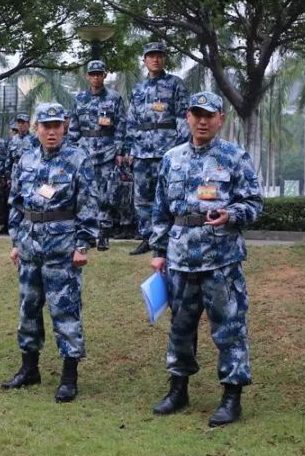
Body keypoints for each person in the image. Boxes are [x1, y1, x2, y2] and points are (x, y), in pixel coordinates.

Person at [148, 92, 262, 427]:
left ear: (220, 119)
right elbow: (160, 210)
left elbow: (254, 204)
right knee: (180, 329)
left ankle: (231, 396)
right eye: (196, 114)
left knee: (229, 328)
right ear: (187, 117)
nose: (202, 120)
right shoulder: (171, 158)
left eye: (208, 115)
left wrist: (230, 214)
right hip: (181, 259)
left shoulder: (234, 157)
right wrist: (158, 252)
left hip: (221, 260)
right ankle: (178, 389)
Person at [2, 102, 98, 403]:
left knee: (65, 311)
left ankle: (69, 377)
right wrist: (15, 241)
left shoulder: (79, 160)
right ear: (36, 128)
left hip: (62, 249)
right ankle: (29, 369)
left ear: (64, 126)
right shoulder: (25, 159)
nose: (52, 131)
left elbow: (89, 206)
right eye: (46, 126)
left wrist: (82, 245)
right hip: (30, 247)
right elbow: (16, 203)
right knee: (28, 310)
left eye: (57, 125)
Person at [126, 42, 189, 255]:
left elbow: (183, 117)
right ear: (144, 60)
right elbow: (131, 121)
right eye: (151, 56)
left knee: (168, 194)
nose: (155, 59)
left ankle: (168, 237)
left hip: (167, 150)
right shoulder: (138, 89)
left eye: (159, 55)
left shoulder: (175, 84)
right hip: (142, 152)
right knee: (142, 197)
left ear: (164, 59)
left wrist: (180, 149)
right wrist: (130, 149)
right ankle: (148, 237)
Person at [68, 59, 127, 251]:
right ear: (87, 77)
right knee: (86, 194)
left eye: (99, 74)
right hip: (84, 153)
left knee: (107, 194)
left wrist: (119, 151)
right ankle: (87, 234)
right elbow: (74, 128)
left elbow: (120, 126)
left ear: (104, 75)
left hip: (107, 152)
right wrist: (72, 150)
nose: (95, 77)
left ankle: (104, 234)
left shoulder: (114, 98)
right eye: (92, 74)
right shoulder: (79, 99)